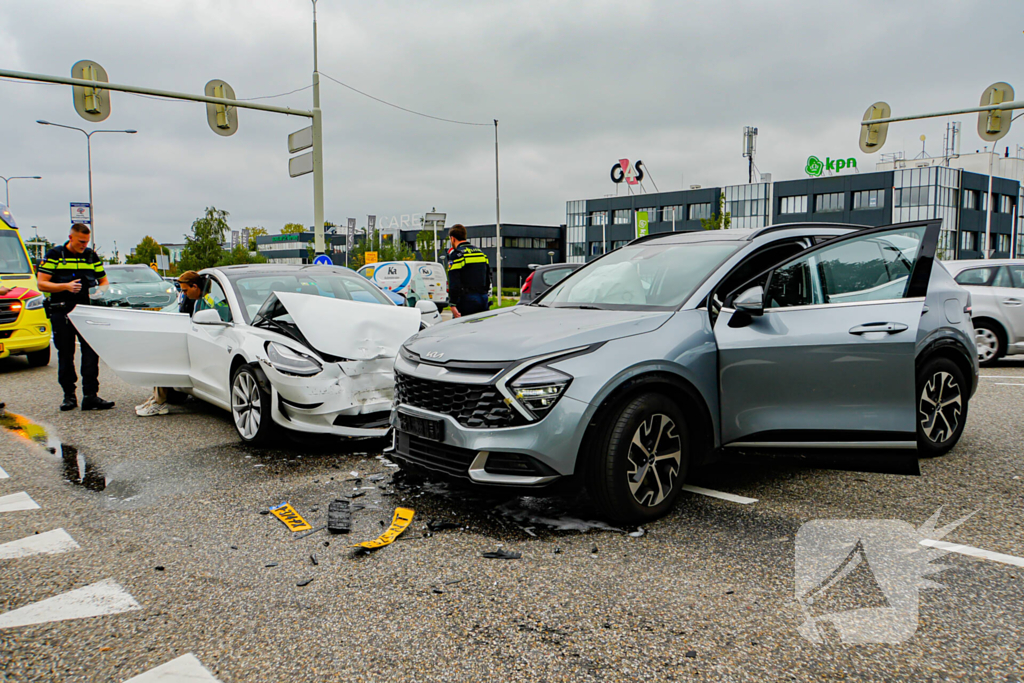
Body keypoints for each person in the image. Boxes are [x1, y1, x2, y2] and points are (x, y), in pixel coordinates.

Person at [36, 224, 114, 412]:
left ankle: (90, 396)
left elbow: (103, 280)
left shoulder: (90, 256)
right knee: (66, 354)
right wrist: (65, 287)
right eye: (80, 241)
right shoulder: (55, 255)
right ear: (70, 238)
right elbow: (42, 284)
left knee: (90, 354)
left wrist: (100, 292)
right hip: (62, 311)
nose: (83, 245)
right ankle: (69, 396)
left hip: (85, 311)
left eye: (86, 242)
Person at [136, 271, 205, 417]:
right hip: (192, 340)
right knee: (163, 352)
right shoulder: (190, 300)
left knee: (166, 358)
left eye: (186, 290)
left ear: (195, 287)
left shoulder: (208, 301)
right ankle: (156, 398)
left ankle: (159, 402)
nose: (184, 294)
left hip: (201, 343)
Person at [446, 224, 492, 317]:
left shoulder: (457, 255)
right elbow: (488, 276)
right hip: (483, 298)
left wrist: (452, 303)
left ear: (452, 239)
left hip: (467, 301)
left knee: (461, 329)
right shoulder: (480, 252)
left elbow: (454, 281)